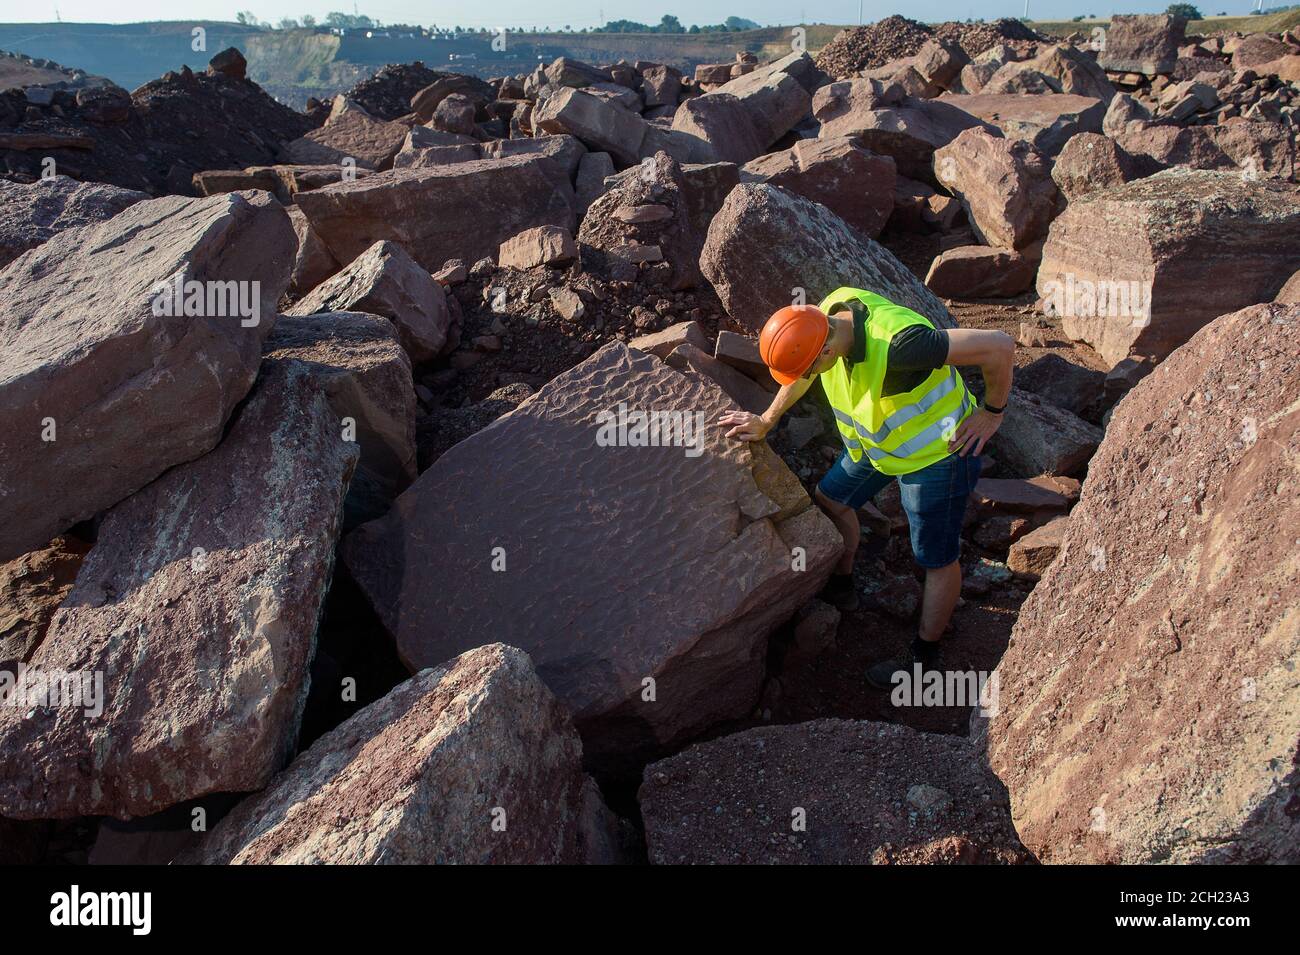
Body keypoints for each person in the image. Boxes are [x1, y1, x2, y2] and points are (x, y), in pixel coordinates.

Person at [718, 287, 1014, 687]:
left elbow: (999, 345)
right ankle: (844, 581)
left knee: (934, 557)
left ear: (824, 350)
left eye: (809, 368)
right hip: (878, 448)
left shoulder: (902, 345)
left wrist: (991, 412)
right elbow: (801, 378)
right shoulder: (824, 314)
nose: (807, 377)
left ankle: (924, 658)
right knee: (831, 499)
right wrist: (767, 419)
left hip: (937, 456)